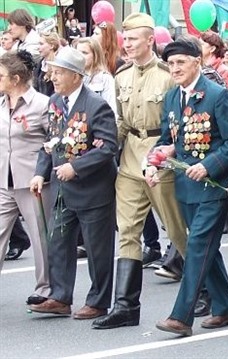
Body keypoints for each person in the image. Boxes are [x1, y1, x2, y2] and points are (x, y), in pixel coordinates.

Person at [92, 13, 187, 330]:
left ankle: (205, 289)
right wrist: (104, 149)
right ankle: (125, 306)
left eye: (133, 39)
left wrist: (165, 157)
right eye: (125, 39)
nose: (127, 44)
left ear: (150, 40)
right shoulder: (121, 76)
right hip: (131, 159)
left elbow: (177, 126)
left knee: (177, 232)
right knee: (128, 233)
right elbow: (120, 122)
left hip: (160, 160)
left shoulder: (168, 76)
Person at [152, 38, 228, 337]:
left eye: (181, 62)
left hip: (213, 186)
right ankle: (226, 307)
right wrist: (156, 159)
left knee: (196, 247)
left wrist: (210, 165)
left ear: (196, 62)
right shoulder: (171, 98)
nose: (175, 68)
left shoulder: (217, 96)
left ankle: (181, 316)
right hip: (185, 187)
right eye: (171, 64)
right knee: (207, 249)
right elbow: (169, 139)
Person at [28, 46, 118, 319]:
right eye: (53, 71)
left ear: (77, 76)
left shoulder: (96, 105)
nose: (53, 77)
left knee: (96, 249)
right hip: (61, 190)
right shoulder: (55, 101)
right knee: (57, 242)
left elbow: (107, 147)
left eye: (60, 72)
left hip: (92, 190)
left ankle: (99, 300)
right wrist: (40, 172)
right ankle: (59, 296)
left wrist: (76, 167)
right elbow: (51, 143)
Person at [0, 50, 51, 305]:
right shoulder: (0, 103)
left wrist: (43, 172)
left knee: (41, 237)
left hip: (32, 181)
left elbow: (52, 142)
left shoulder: (42, 104)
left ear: (16, 78)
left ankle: (46, 290)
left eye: (1, 76)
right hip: (3, 180)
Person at [76, 38, 116, 114]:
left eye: (84, 53)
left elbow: (112, 110)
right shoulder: (74, 77)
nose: (80, 56)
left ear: (95, 55)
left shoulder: (105, 79)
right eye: (78, 53)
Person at [34, 32, 60, 97]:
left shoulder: (58, 65)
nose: (38, 47)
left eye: (41, 44)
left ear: (52, 46)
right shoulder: (39, 64)